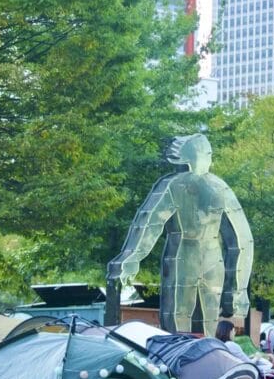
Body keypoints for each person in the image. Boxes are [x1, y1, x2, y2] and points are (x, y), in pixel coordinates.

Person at [108, 134, 254, 337]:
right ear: (195, 156)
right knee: (192, 321)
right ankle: (198, 359)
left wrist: (130, 259)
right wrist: (238, 289)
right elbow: (242, 240)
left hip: (189, 256)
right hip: (199, 257)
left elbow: (148, 222)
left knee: (183, 320)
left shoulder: (177, 185)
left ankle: (188, 359)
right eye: (207, 153)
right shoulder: (216, 187)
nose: (210, 158)